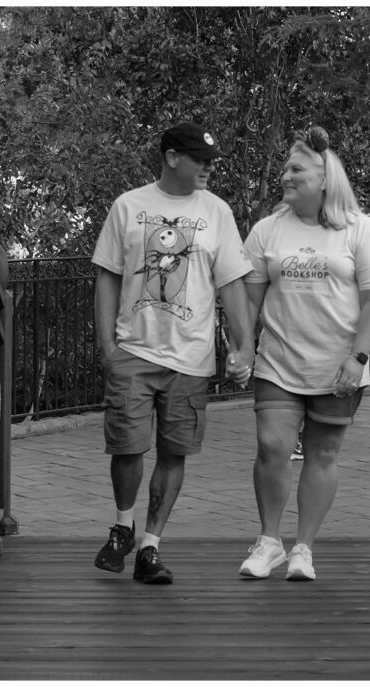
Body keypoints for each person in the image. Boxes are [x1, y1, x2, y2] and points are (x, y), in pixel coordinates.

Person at [91, 122, 254, 584]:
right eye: (199, 159)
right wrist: (108, 346)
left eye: (210, 161)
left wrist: (246, 345)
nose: (208, 167)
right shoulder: (129, 206)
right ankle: (123, 525)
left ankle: (150, 548)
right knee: (127, 447)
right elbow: (107, 276)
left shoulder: (217, 212)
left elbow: (231, 284)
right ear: (171, 157)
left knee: (173, 452)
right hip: (134, 350)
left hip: (190, 359)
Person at [238, 126, 370, 581]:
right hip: (279, 362)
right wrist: (244, 347)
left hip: (339, 366)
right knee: (272, 447)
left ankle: (303, 548)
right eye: (286, 168)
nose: (286, 176)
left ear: (325, 179)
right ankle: (270, 542)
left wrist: (358, 357)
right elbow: (249, 299)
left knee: (323, 454)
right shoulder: (267, 230)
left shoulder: (359, 230)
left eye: (296, 169)